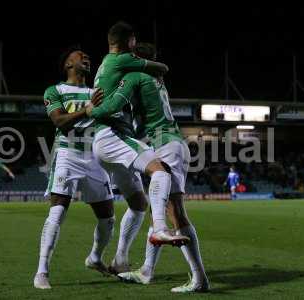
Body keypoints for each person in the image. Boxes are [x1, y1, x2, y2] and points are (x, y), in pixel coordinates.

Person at [88, 42, 209, 293]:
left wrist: (89, 109)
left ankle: (199, 279)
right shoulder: (156, 79)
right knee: (159, 209)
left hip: (165, 144)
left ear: (135, 58)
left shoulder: (134, 75)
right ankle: (146, 271)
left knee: (174, 211)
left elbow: (110, 108)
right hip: (170, 142)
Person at [92, 21, 189, 274]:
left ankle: (119, 260)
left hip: (111, 141)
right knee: (161, 174)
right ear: (130, 44)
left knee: (138, 203)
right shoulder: (132, 70)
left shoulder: (110, 66)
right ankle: (159, 229)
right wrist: (91, 109)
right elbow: (110, 107)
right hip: (114, 136)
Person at [34, 46, 115, 289]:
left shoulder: (97, 91)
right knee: (57, 212)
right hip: (67, 154)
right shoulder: (55, 90)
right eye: (82, 57)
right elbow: (59, 121)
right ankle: (41, 271)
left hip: (95, 157)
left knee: (108, 218)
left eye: (89, 57)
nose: (88, 59)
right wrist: (87, 110)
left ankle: (95, 257)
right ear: (68, 64)